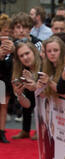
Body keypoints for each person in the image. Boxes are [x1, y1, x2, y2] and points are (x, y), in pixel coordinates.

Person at [11, 41, 41, 140]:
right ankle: (25, 130)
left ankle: (40, 130)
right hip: (30, 99)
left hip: (48, 101)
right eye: (21, 56)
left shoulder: (44, 65)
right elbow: (27, 105)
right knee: (27, 95)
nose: (25, 57)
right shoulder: (20, 70)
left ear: (34, 52)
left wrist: (35, 86)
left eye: (27, 53)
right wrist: (19, 95)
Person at [0, 14, 14, 143]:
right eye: (4, 31)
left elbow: (12, 64)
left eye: (9, 31)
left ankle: (2, 132)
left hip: (5, 81)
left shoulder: (12, 45)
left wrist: (10, 53)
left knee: (4, 106)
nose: (7, 34)